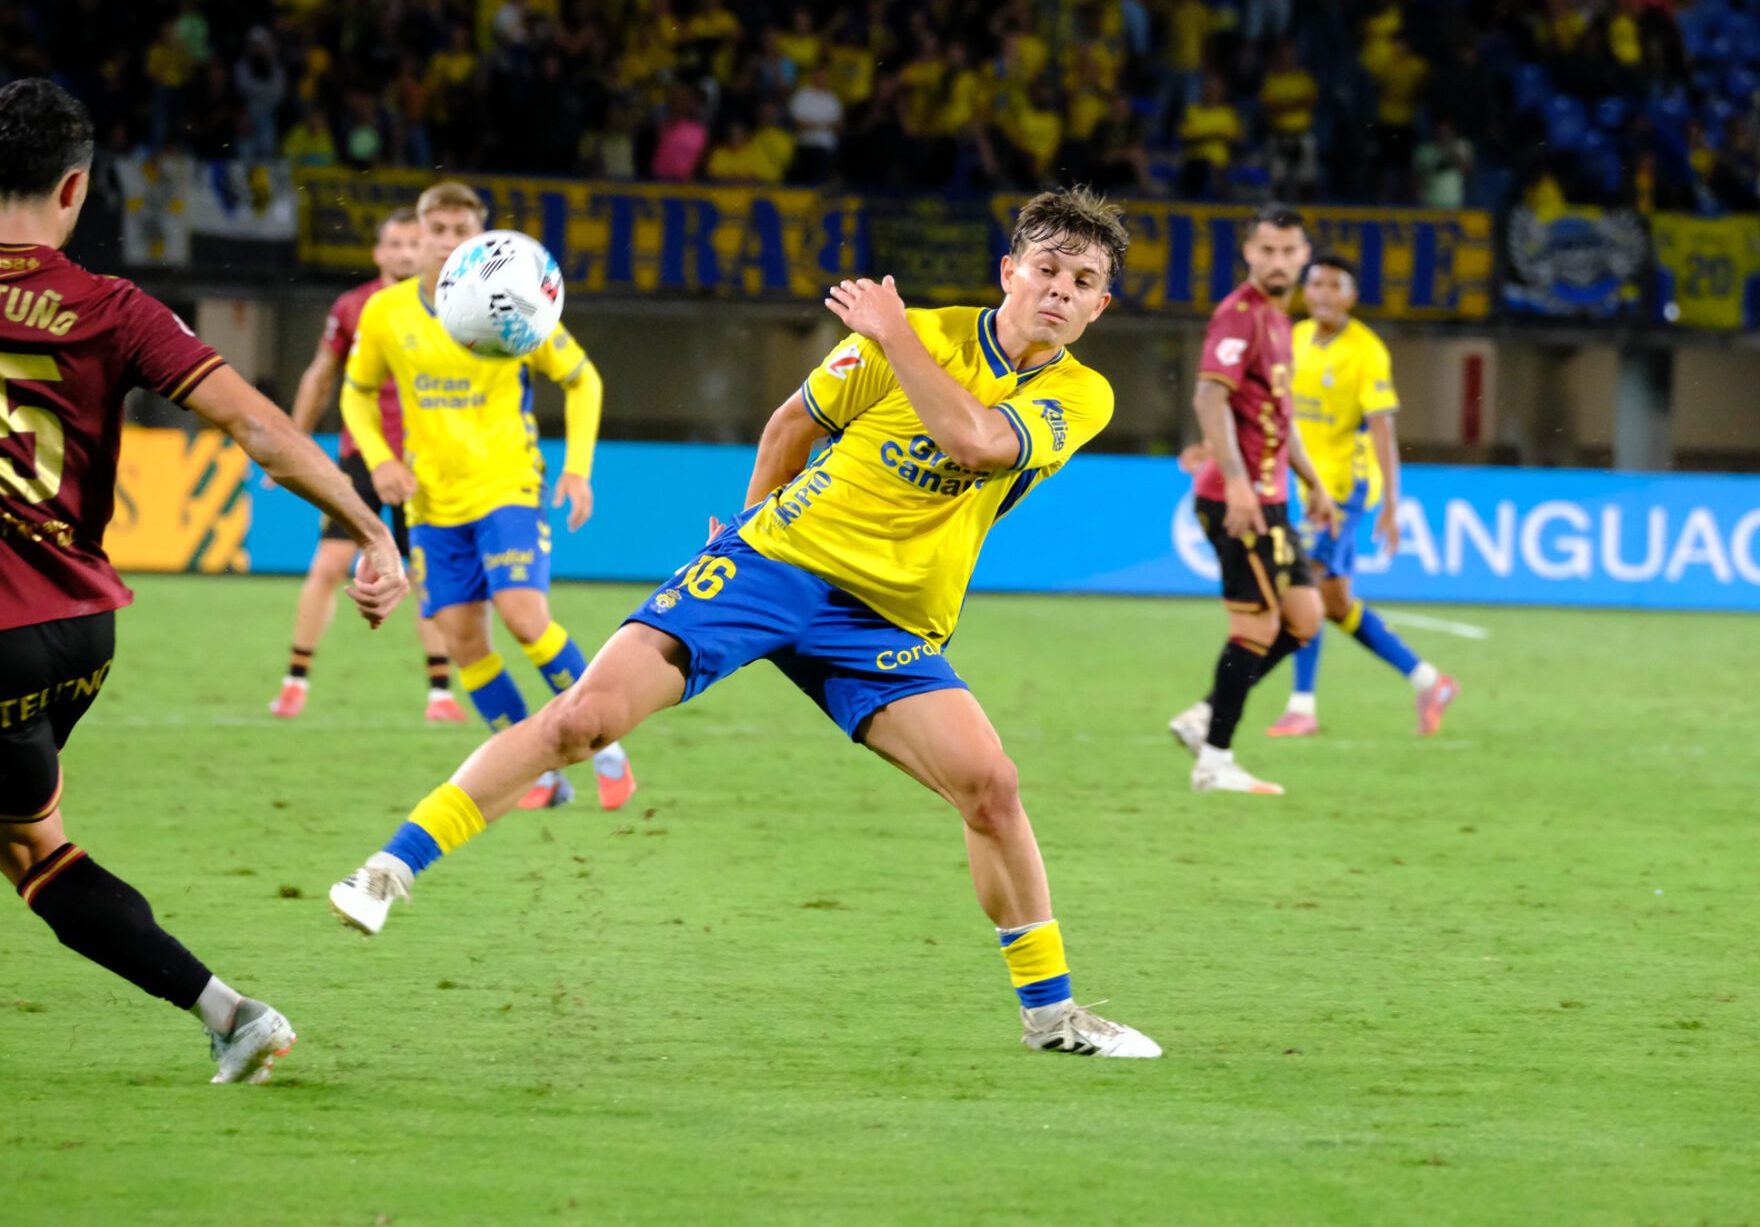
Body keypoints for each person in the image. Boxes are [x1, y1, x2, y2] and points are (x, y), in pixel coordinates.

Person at [327, 188, 1160, 1059]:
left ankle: (1052, 1018)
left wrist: (894, 334)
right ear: (1009, 274)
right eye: (1046, 270)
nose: (1059, 291)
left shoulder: (1076, 391)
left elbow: (979, 444)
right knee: (583, 719)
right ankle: (389, 869)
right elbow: (790, 425)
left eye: (1083, 280)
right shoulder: (920, 333)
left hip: (884, 616)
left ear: (1101, 305)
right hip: (774, 565)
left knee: (990, 787)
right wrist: (748, 532)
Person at [0, 78, 408, 1083]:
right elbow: (260, 429)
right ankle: (231, 1013)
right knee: (28, 849)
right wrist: (369, 527)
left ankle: (233, 1014)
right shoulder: (115, 306)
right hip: (76, 634)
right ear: (75, 187)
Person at [338, 181, 635, 811]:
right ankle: (541, 775)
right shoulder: (385, 313)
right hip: (431, 505)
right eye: (436, 231)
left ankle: (605, 744)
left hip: (508, 487)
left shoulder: (513, 304)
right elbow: (356, 393)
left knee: (525, 616)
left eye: (459, 231)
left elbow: (583, 381)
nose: (447, 242)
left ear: (479, 238)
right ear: (418, 238)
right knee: (464, 643)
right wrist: (381, 458)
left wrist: (578, 470)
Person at [269, 208, 466, 724]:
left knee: (426, 574)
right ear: (378, 253)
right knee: (330, 564)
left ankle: (441, 694)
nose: (404, 252)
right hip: (363, 455)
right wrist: (289, 442)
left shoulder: (453, 304)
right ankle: (294, 682)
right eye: (395, 244)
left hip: (427, 459)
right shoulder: (355, 306)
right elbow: (321, 375)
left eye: (412, 243)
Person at [1167, 206, 1332, 795]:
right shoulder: (1239, 316)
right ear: (1249, 253)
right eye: (1267, 251)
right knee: (1257, 626)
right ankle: (1214, 760)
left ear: (1304, 255)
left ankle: (1207, 714)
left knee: (1305, 618)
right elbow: (1210, 400)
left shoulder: (1280, 320)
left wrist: (1312, 481)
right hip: (1237, 499)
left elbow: (1277, 419)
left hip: (1274, 499)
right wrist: (1236, 483)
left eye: (1289, 251)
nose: (1279, 261)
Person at [1268, 254, 1458, 739]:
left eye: (1336, 286)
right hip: (1310, 486)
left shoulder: (1367, 351)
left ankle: (1302, 706)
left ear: (1352, 296)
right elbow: (1273, 408)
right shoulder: (1294, 339)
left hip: (1347, 488)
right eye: (1316, 284)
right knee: (1333, 601)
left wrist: (1392, 503)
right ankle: (1429, 681)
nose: (1324, 294)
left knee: (1304, 584)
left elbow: (1382, 430)